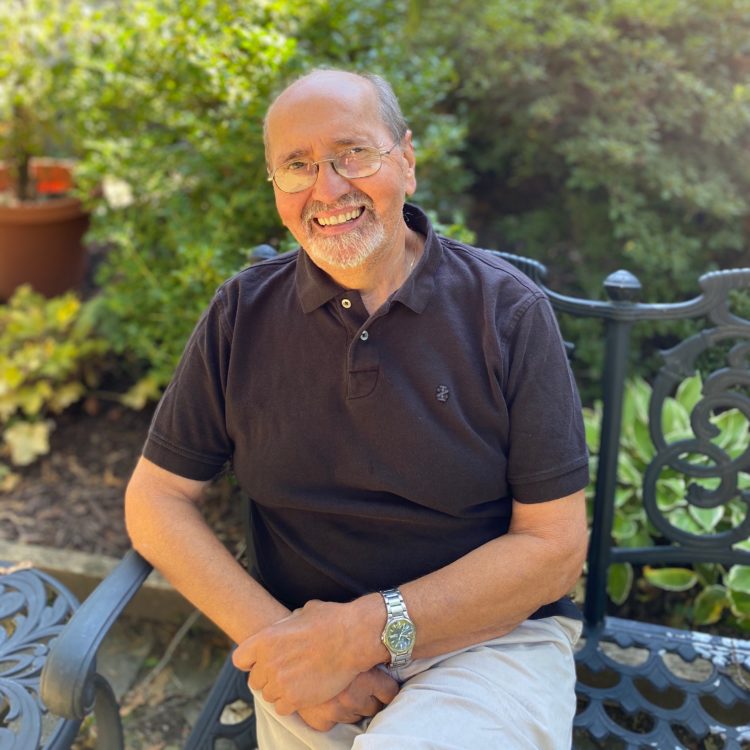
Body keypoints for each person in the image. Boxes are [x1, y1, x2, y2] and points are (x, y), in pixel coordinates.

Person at [125, 68, 590, 749]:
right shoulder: (242, 315)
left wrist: (363, 631)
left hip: (485, 646)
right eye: (297, 165)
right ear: (276, 188)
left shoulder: (506, 312)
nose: (328, 187)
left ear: (406, 160)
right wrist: (283, 644)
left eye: (354, 153)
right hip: (305, 654)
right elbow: (156, 498)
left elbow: (554, 549)